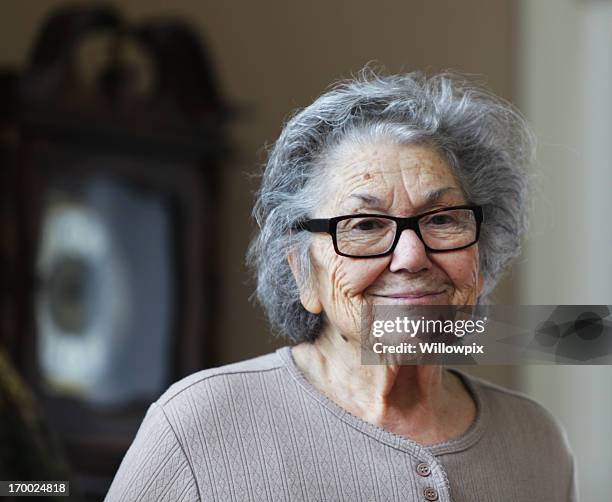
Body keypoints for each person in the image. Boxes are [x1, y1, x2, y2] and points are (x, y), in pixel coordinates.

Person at [105, 71, 577, 501]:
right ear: (301, 271)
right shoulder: (199, 426)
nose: (411, 257)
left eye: (442, 219)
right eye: (365, 226)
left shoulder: (535, 439)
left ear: (481, 254)